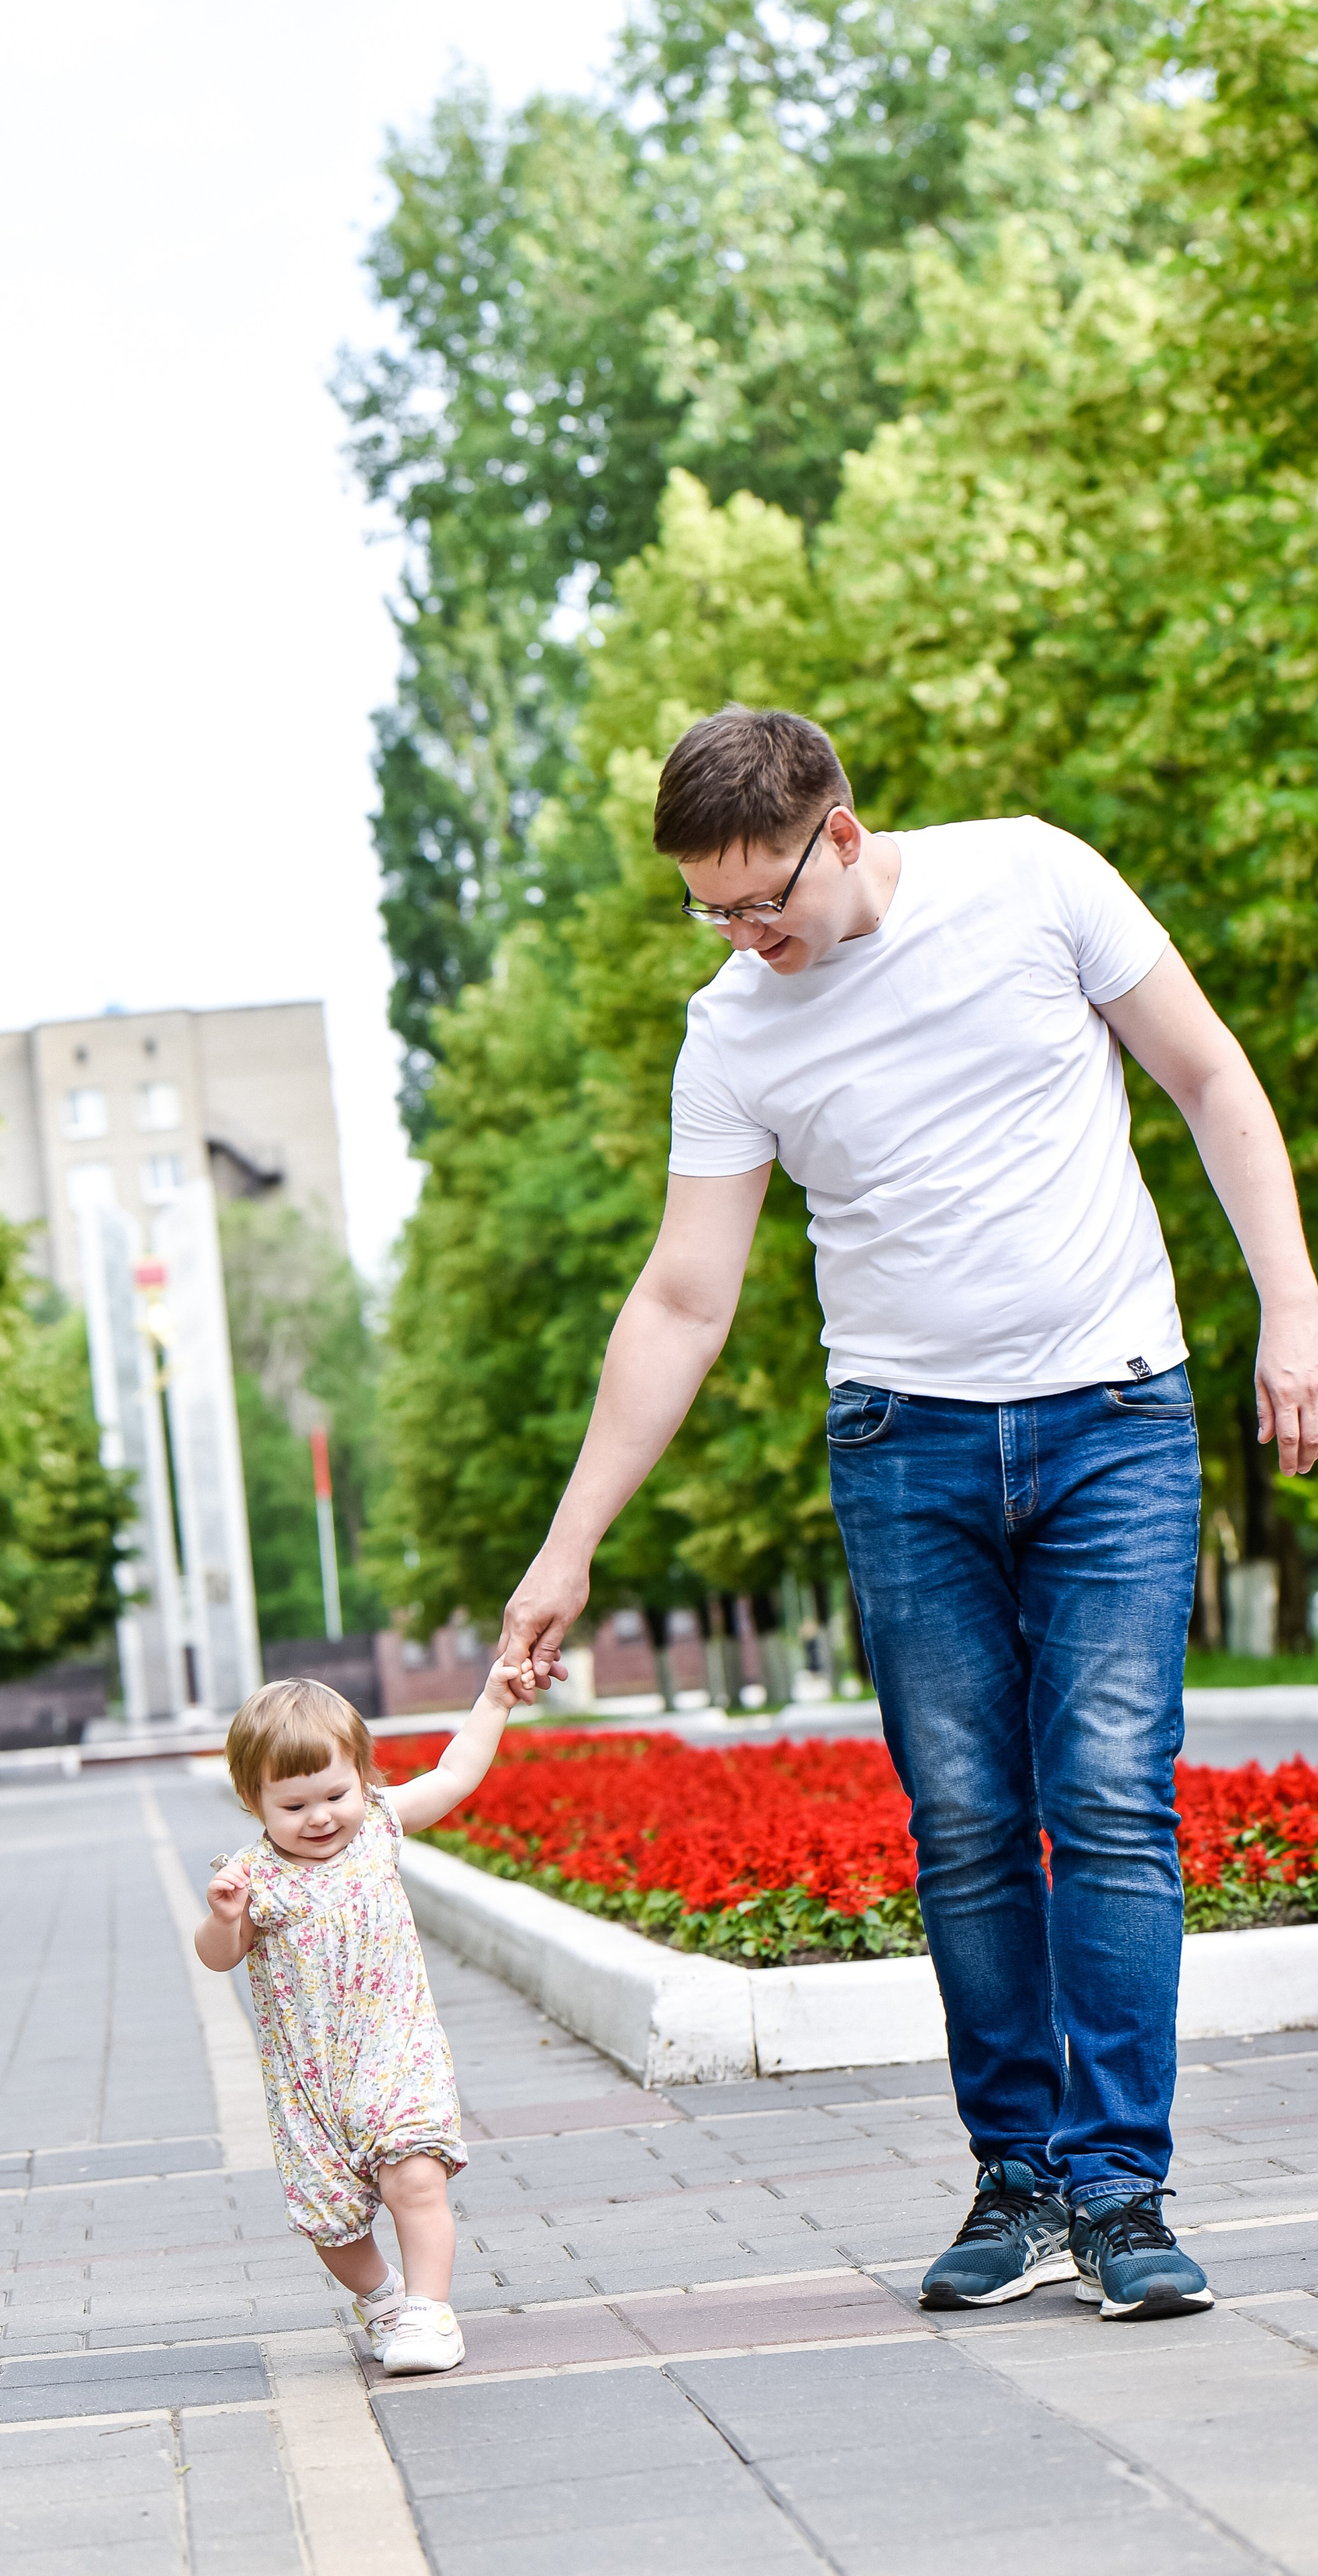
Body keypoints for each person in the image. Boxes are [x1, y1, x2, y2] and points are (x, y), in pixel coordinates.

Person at [498, 704, 1318, 2324]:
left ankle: (1119, 2188)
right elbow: (680, 1297)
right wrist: (566, 1540)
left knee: (1102, 1793)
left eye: (759, 900)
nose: (742, 937)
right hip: (902, 1446)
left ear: (840, 832)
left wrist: (1286, 1307)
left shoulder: (1031, 880)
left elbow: (1207, 1072)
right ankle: (1013, 2178)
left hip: (1111, 1416)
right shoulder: (731, 1030)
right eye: (708, 910)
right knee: (958, 1824)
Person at [195, 1659, 530, 2373]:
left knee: (415, 2177)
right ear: (253, 1803)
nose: (320, 1817)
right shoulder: (254, 1878)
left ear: (364, 1777)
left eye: (335, 1794)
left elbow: (454, 1775)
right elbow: (218, 1957)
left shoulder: (378, 1826)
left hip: (394, 2049)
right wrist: (223, 1917)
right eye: (293, 1807)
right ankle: (382, 2299)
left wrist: (494, 1699)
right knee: (330, 2223)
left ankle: (430, 2315)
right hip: (311, 2089)